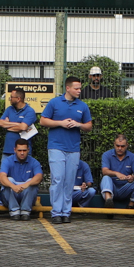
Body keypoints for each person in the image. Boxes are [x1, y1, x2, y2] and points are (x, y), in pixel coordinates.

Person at [39, 76, 93, 223]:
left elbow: (89, 126)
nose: (79, 91)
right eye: (76, 88)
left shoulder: (82, 106)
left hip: (73, 149)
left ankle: (66, 212)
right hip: (56, 147)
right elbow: (43, 120)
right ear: (67, 88)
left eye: (80, 88)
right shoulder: (54, 102)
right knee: (57, 179)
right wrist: (60, 123)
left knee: (69, 181)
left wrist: (78, 124)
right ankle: (56, 212)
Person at [0, 140, 44, 219]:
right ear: (14, 150)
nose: (22, 153)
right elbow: (1, 177)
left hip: (26, 194)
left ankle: (25, 212)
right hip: (11, 195)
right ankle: (14, 211)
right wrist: (13, 186)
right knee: (9, 180)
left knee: (32, 181)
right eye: (19, 150)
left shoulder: (34, 162)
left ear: (28, 150)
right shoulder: (7, 161)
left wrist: (26, 184)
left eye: (24, 150)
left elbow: (39, 177)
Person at [99, 134, 134, 207]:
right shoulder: (106, 155)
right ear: (114, 144)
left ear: (127, 145)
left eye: (122, 146)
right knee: (105, 178)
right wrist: (116, 173)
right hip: (112, 187)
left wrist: (132, 177)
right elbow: (104, 171)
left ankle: (130, 206)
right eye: (117, 146)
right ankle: (108, 203)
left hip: (126, 187)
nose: (119, 148)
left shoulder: (133, 157)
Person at [0, 86, 37, 163]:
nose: (10, 99)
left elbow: (23, 127)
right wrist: (17, 124)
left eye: (12, 97)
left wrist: (8, 125)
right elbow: (0, 123)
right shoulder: (9, 109)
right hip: (8, 150)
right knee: (4, 173)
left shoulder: (30, 111)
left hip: (23, 152)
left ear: (18, 99)